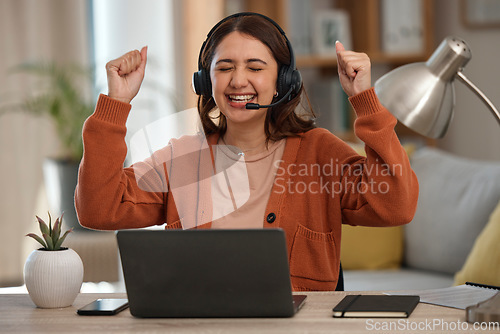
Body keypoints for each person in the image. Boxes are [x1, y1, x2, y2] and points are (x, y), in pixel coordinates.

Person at [75, 12, 418, 291]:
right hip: (200, 325)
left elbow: (396, 206)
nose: (238, 81)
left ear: (282, 81)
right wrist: (116, 104)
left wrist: (364, 100)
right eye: (224, 68)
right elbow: (99, 209)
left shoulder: (320, 152)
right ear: (206, 81)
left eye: (255, 67)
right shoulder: (182, 159)